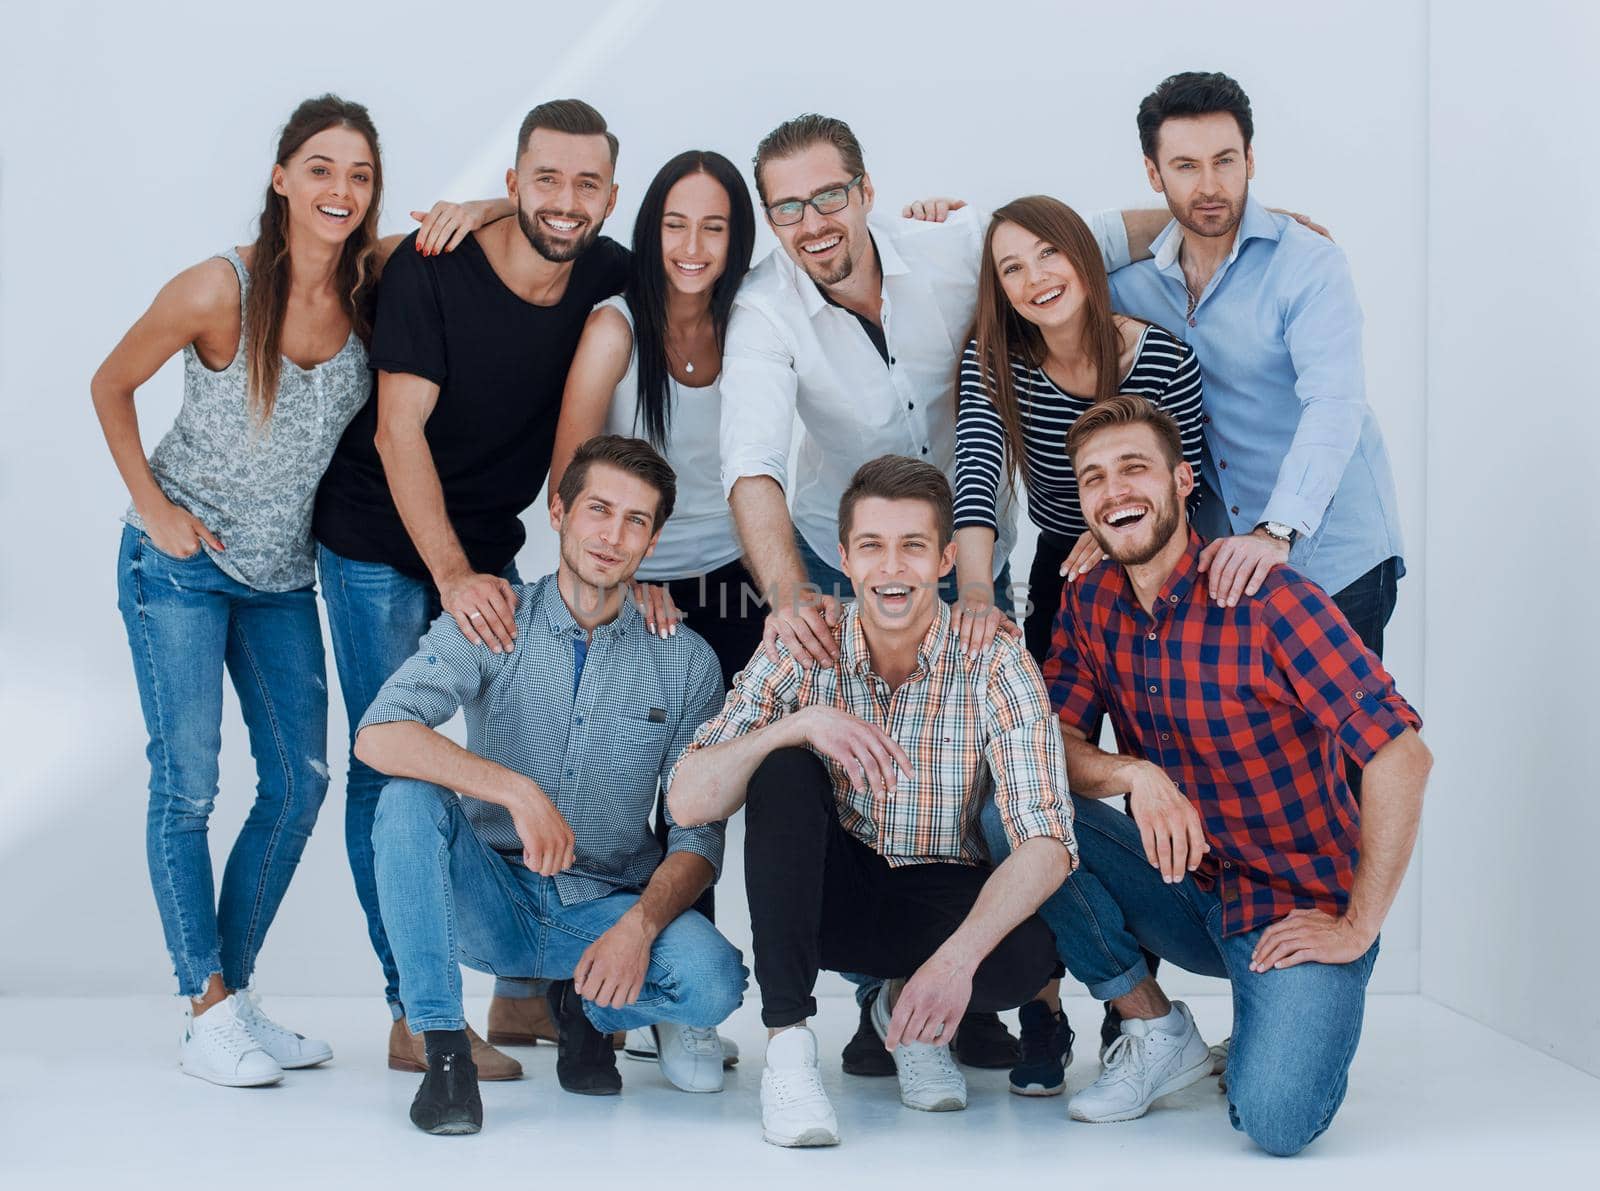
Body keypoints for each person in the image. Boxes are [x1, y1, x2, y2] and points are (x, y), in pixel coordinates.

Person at [720, 112, 1167, 1073]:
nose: (813, 221)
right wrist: (795, 598)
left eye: (829, 195)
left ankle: (1018, 998)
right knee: (857, 778)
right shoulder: (765, 309)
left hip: (975, 550)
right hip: (841, 555)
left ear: (867, 189)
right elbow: (751, 463)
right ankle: (882, 993)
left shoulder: (958, 244)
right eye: (787, 207)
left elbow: (1098, 234)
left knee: (982, 766)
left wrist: (1263, 216)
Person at [91, 94, 504, 1087]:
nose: (340, 190)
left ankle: (232, 999)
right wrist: (154, 508)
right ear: (282, 177)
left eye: (359, 175)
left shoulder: (370, 279)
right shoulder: (217, 289)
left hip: (283, 579)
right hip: (179, 573)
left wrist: (486, 203)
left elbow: (492, 218)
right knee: (187, 783)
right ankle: (207, 1003)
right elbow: (110, 384)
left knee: (301, 785)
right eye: (320, 169)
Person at [997, 395, 1429, 1155]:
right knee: (1012, 808)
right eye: (1094, 478)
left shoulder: (1269, 598)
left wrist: (1359, 921)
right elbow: (1048, 741)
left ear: (1182, 480)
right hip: (1184, 887)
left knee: (1276, 1120)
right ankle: (1155, 1026)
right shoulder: (1090, 600)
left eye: (1135, 468)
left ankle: (1279, 1021)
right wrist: (1135, 774)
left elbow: (1401, 753)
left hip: (1295, 910)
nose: (1115, 490)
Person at [311, 98, 632, 1074]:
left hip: (488, 547)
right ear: (513, 182)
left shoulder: (606, 269)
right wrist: (452, 575)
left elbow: (707, 255)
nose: (565, 201)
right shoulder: (430, 267)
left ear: (608, 196)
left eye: (586, 183)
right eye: (544, 179)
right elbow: (395, 431)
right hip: (378, 544)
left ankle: (525, 999)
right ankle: (415, 1015)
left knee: (513, 756)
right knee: (390, 765)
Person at [668, 456, 1077, 1147]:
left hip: (938, 895)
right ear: (844, 557)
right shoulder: (803, 647)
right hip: (830, 899)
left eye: (913, 546)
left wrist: (954, 963)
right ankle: (790, 1052)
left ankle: (902, 1011)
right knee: (783, 768)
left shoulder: (998, 661)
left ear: (946, 558)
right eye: (873, 546)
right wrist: (800, 723)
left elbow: (1048, 840)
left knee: (1028, 952)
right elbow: (686, 799)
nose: (893, 568)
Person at [356, 435, 747, 1135]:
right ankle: (445, 1053)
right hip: (489, 897)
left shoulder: (686, 662)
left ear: (652, 541)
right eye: (599, 509)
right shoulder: (491, 620)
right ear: (559, 511)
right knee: (406, 797)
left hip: (600, 909)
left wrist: (639, 926)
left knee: (716, 981)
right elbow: (377, 735)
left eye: (636, 520)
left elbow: (698, 835)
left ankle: (586, 1009)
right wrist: (517, 790)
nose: (613, 534)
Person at [1102, 71, 1405, 661]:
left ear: (1251, 159)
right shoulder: (1130, 288)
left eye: (1226, 160)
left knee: (1341, 750)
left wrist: (1277, 531)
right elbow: (1045, 247)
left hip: (1331, 552)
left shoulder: (1308, 265)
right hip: (1221, 562)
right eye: (1186, 166)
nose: (1211, 185)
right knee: (1247, 750)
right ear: (1152, 173)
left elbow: (1333, 403)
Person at [954, 194, 1204, 667]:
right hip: (1062, 564)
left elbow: (1187, 491)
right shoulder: (995, 362)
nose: (1036, 278)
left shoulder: (1166, 361)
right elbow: (977, 473)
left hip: (1155, 562)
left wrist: (1112, 523)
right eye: (1013, 268)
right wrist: (975, 595)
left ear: (1082, 253)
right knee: (1051, 728)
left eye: (1050, 252)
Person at [550, 148, 762, 686]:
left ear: (737, 239)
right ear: (651, 230)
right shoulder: (614, 329)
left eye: (713, 228)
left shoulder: (753, 318)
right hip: (634, 576)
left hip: (735, 575)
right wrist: (622, 581)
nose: (692, 247)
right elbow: (566, 483)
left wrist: (925, 222)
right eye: (675, 226)